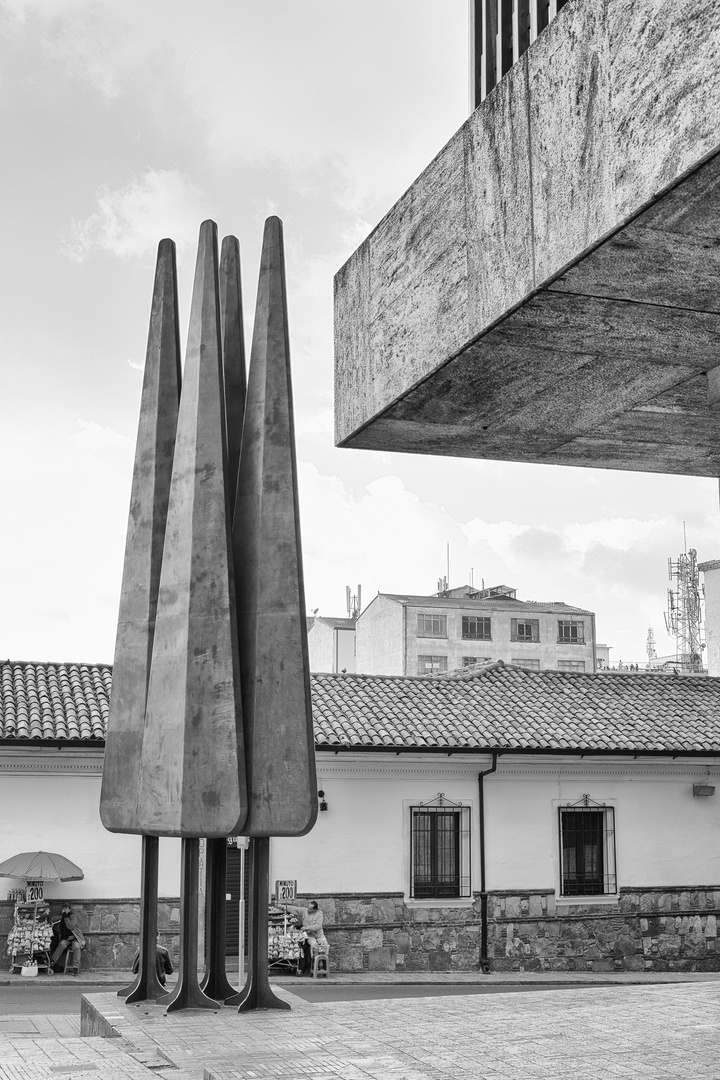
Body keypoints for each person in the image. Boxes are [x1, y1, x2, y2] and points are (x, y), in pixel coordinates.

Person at [286, 900, 327, 975]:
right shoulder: (304, 911)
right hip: (310, 936)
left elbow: (318, 926)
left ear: (315, 909)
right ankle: (315, 966)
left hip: (319, 935)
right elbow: (295, 909)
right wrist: (283, 906)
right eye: (308, 908)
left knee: (324, 946)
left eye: (310, 909)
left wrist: (307, 928)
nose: (308, 910)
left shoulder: (319, 913)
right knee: (314, 946)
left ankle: (322, 966)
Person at [51, 906, 86, 975]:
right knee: (61, 944)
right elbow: (52, 919)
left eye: (66, 909)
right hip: (66, 938)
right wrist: (62, 916)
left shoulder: (72, 916)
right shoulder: (62, 916)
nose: (64, 910)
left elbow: (70, 926)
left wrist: (66, 917)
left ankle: (76, 967)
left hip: (75, 938)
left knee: (76, 947)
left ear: (69, 909)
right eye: (63, 909)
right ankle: (52, 961)